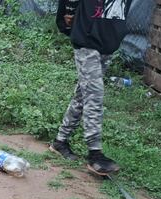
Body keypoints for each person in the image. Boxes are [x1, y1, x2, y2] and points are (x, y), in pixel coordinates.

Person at [52, 0, 130, 175]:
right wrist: (69, 16)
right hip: (86, 42)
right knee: (94, 95)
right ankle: (95, 154)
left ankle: (60, 141)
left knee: (82, 95)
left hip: (107, 43)